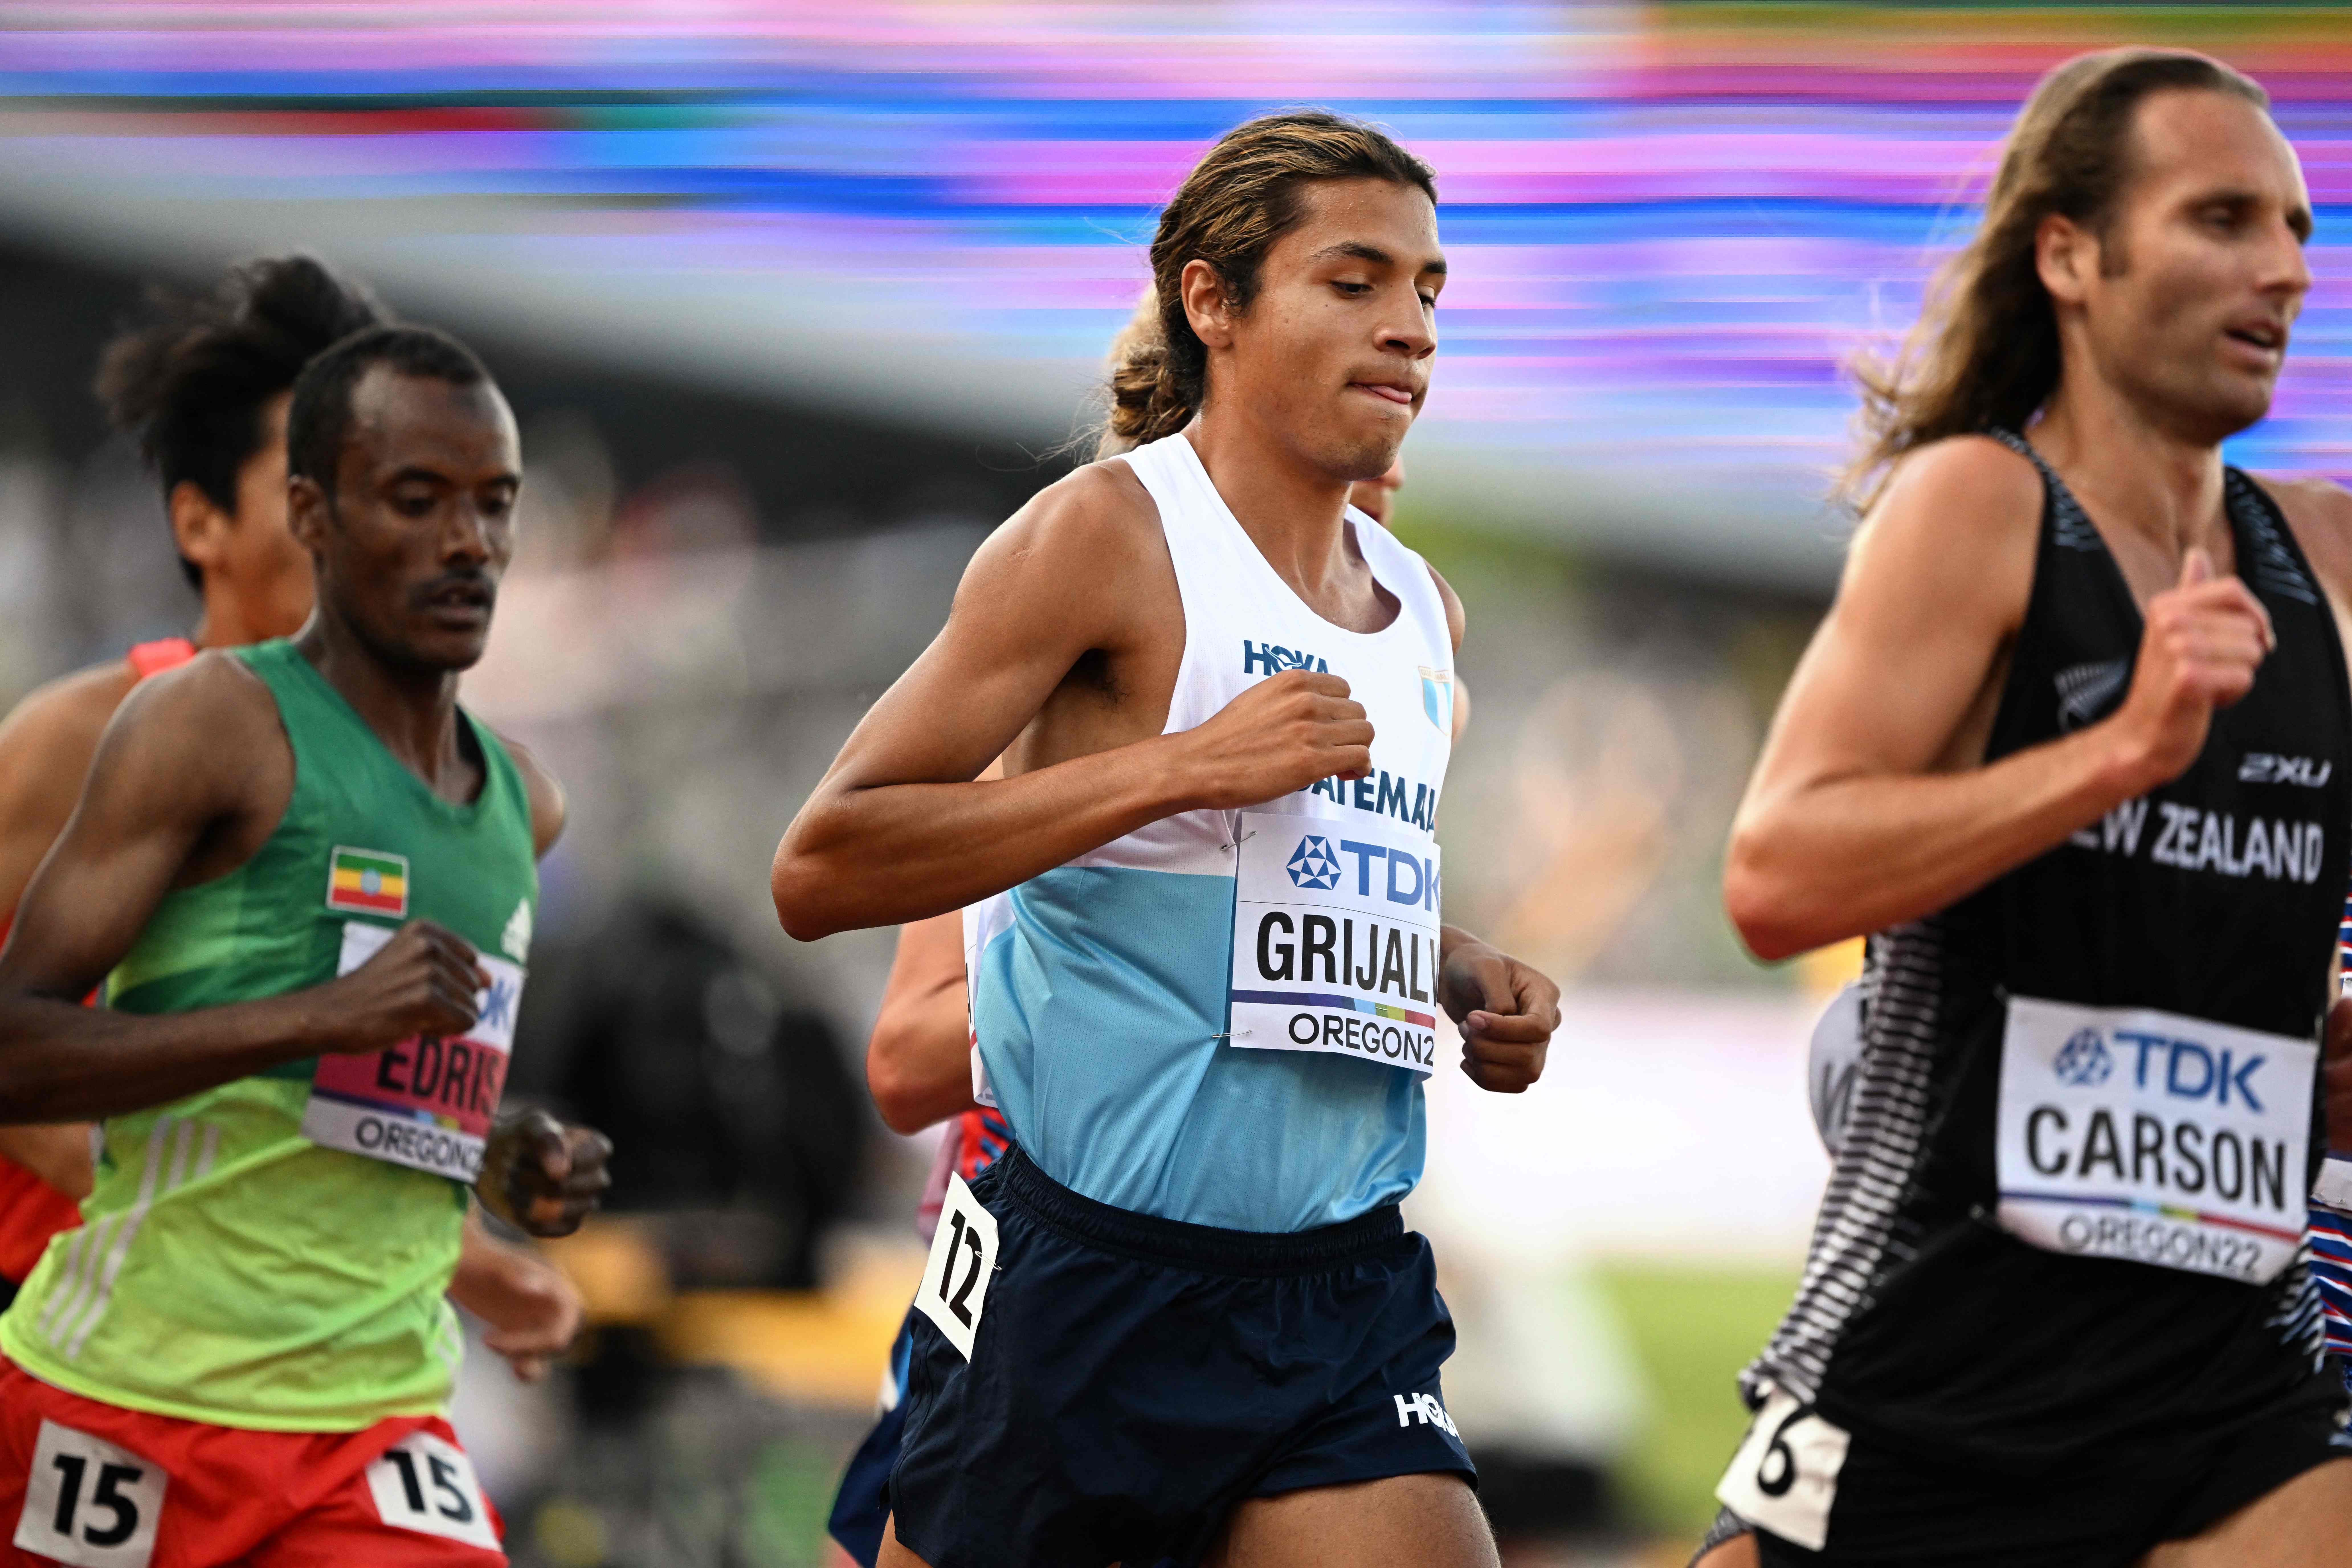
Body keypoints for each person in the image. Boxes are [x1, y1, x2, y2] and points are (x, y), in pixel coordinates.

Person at [774, 109, 1558, 1568]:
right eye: (1355, 281)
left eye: (1428, 289)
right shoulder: (1104, 539)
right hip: (1085, 1278)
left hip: (1338, 1291)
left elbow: (1270, 891)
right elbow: (823, 861)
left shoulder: (1425, 612)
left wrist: (1454, 969)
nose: (1410, 327)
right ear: (1213, 302)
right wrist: (1182, 765)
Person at [1701, 48, 2352, 1567]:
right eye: (2220, 220)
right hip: (1944, 1356)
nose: (2281, 269)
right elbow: (1777, 875)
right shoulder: (1980, 509)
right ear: (2070, 254)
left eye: (2296, 229)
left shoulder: (2325, 557)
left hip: (2235, 1372)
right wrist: (2120, 749)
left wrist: (2313, 1042)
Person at [0, 323, 610, 1566]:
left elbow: (365, 1099)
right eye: (417, 500)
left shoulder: (524, 806)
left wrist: (496, 1155)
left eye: (495, 503)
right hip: (131, 1401)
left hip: (368, 1428)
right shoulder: (189, 720)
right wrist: (317, 1017)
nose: (468, 542)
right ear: (310, 513)